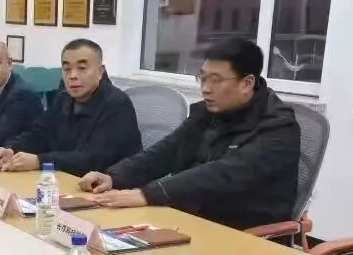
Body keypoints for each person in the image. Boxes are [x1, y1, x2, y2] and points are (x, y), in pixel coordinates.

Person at [79, 38, 301, 231]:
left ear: (247, 83)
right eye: (202, 78)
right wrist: (114, 177)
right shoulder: (208, 112)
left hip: (243, 233)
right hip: (192, 219)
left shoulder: (278, 129)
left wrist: (148, 194)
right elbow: (169, 150)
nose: (205, 88)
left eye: (216, 80)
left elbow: (222, 174)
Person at [0, 39, 141, 176]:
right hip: (66, 179)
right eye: (67, 69)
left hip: (109, 186)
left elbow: (95, 159)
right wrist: (12, 149)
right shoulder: (63, 98)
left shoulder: (117, 104)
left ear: (100, 71)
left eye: (82, 68)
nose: (72, 75)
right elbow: (40, 134)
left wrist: (39, 161)